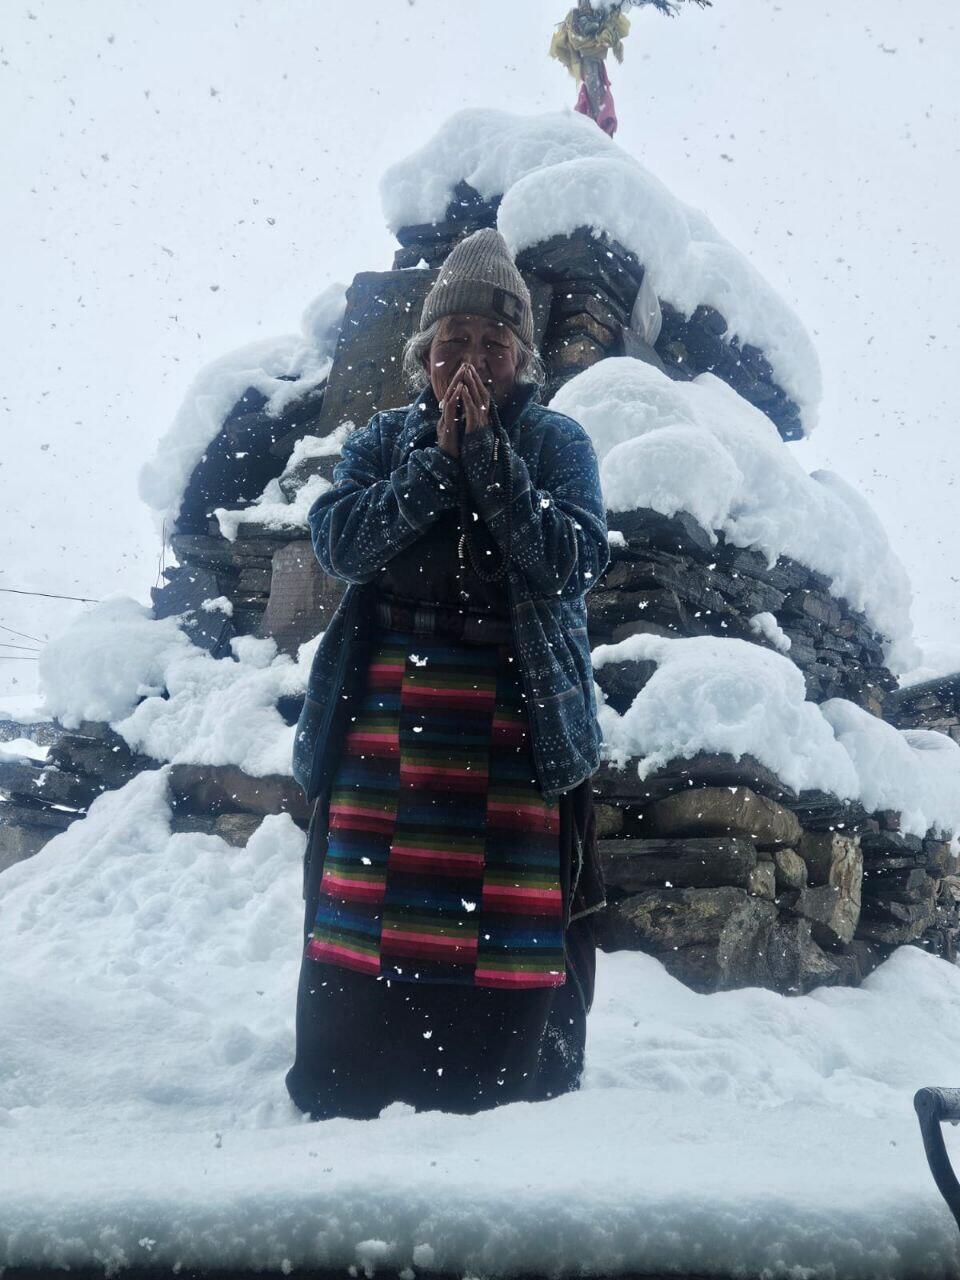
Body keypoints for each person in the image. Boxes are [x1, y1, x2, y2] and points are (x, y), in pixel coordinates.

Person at [286, 228, 609, 1120]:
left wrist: (492, 467)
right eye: (451, 344)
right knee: (368, 909)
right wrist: (434, 465)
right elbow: (342, 543)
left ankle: (501, 1090)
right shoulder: (384, 443)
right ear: (421, 353)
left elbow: (573, 560)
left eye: (492, 346)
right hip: (389, 724)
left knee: (504, 919)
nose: (471, 361)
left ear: (523, 357)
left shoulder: (556, 443)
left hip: (515, 721)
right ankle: (352, 1081)